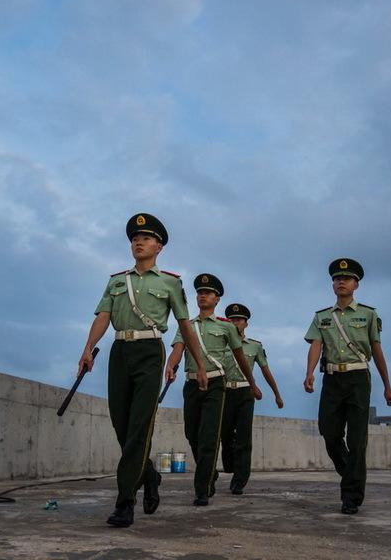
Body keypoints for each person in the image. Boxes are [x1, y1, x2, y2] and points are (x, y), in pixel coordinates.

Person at [78, 213, 209, 528]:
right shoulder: (116, 281)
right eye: (135, 238)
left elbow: (185, 327)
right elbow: (103, 316)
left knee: (139, 427)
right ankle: (150, 476)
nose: (138, 242)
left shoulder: (171, 283)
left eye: (146, 238)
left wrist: (199, 363)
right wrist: (87, 348)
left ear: (159, 246)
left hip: (151, 351)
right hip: (119, 352)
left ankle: (125, 503)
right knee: (122, 426)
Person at [303, 258, 391, 515]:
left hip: (358, 379)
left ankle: (351, 496)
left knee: (357, 440)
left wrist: (388, 385)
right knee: (329, 432)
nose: (341, 281)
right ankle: (350, 473)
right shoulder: (322, 317)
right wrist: (309, 373)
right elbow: (315, 345)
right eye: (336, 278)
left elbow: (377, 351)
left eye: (346, 278)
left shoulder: (368, 314)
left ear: (356, 284)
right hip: (331, 379)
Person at [165, 273, 262, 506]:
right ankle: (210, 472)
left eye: (207, 293)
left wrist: (252, 383)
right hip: (192, 384)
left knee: (209, 436)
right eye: (199, 292)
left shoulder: (225, 327)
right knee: (192, 434)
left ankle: (202, 488)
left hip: (216, 385)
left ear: (217, 299)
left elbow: (240, 357)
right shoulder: (185, 325)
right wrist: (171, 364)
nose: (202, 296)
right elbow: (178, 349)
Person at [220, 303, 284, 495]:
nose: (235, 322)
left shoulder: (255, 346)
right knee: (224, 434)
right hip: (224, 393)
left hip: (245, 393)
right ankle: (231, 466)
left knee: (243, 438)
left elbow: (265, 370)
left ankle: (240, 479)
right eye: (231, 320)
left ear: (246, 324)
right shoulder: (219, 344)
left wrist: (277, 394)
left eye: (238, 320)